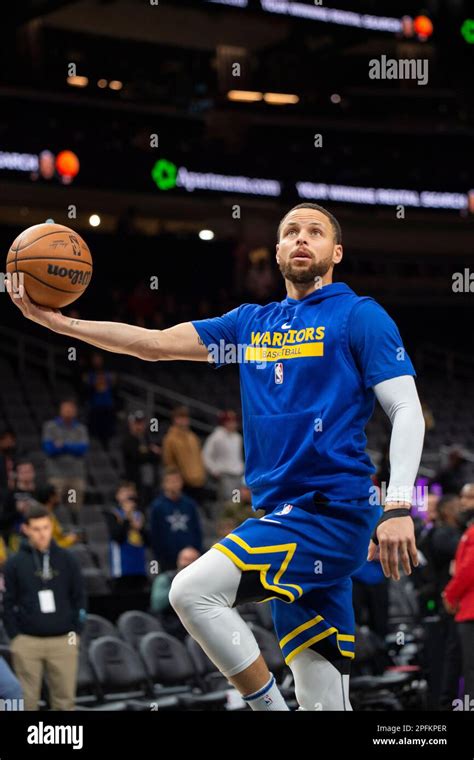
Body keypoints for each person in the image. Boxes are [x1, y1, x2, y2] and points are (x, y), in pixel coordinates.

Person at [7, 202, 425, 711]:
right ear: (275, 252)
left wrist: (398, 505)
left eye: (314, 232)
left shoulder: (359, 315)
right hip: (283, 516)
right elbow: (153, 344)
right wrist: (61, 325)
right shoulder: (251, 324)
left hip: (330, 511)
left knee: (191, 592)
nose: (301, 238)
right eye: (290, 231)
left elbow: (406, 408)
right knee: (324, 699)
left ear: (335, 252)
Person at [3, 505, 86, 710]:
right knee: (27, 702)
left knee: (65, 702)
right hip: (27, 642)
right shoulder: (14, 563)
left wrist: (77, 632)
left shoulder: (67, 559)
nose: (42, 534)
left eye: (46, 527)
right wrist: (16, 637)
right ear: (26, 529)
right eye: (37, 529)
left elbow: (80, 598)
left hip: (63, 640)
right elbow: (7, 603)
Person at [443, 486, 474, 703]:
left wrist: (449, 594)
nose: (463, 502)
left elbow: (467, 570)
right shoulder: (468, 530)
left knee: (471, 672)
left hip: (470, 611)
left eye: (469, 498)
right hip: (467, 609)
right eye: (462, 497)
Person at [41, 399, 89, 523]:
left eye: (71, 408)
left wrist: (63, 445)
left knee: (73, 505)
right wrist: (72, 447)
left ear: (75, 411)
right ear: (60, 410)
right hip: (57, 477)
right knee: (56, 506)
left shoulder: (80, 429)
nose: (68, 411)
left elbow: (82, 449)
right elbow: (49, 449)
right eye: (66, 408)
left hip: (74, 477)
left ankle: (74, 529)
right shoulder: (50, 427)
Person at [149, 470, 203, 572]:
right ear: (164, 484)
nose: (174, 484)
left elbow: (197, 530)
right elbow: (155, 534)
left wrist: (195, 551)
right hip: (167, 560)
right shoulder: (157, 507)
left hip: (190, 559)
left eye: (177, 481)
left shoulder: (190, 504)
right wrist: (160, 556)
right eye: (171, 481)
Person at [104, 481, 149, 593]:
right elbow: (117, 537)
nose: (128, 495)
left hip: (139, 567)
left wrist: (140, 529)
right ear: (117, 496)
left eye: (131, 491)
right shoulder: (114, 514)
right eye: (124, 492)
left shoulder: (140, 515)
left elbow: (149, 541)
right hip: (122, 568)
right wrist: (127, 519)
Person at [150, 546, 200, 640]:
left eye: (193, 560)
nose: (188, 563)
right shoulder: (165, 579)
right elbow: (157, 605)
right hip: (170, 628)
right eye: (185, 559)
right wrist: (180, 585)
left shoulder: (203, 581)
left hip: (195, 629)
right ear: (178, 561)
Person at [162, 406, 206, 503]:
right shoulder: (170, 439)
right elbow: (168, 461)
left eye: (185, 418)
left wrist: (201, 474)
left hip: (198, 480)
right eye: (180, 418)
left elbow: (199, 457)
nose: (184, 421)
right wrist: (177, 480)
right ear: (174, 419)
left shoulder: (193, 437)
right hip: (183, 483)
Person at [202, 410, 244, 504]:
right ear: (224, 423)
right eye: (230, 421)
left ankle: (235, 518)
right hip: (225, 475)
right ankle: (226, 518)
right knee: (226, 501)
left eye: (234, 421)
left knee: (236, 500)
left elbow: (238, 456)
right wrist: (213, 469)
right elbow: (206, 455)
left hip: (237, 474)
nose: (233, 424)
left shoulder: (237, 437)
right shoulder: (216, 437)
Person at [0, 460, 40, 554]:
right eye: (23, 472)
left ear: (34, 473)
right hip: (16, 534)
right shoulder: (10, 495)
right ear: (17, 474)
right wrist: (18, 511)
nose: (26, 474)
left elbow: (50, 515)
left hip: (38, 532)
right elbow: (2, 521)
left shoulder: (40, 493)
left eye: (28, 471)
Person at [121, 410, 160, 505]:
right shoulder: (128, 440)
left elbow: (157, 456)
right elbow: (137, 457)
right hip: (135, 482)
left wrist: (149, 453)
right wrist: (151, 452)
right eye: (137, 423)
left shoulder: (147, 438)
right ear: (131, 424)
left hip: (150, 481)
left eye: (141, 423)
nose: (139, 426)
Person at [83, 351, 117, 450]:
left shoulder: (109, 372)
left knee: (107, 431)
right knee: (94, 431)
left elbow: (114, 385)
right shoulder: (89, 373)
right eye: (95, 358)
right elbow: (86, 386)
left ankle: (106, 447)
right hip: (95, 406)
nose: (97, 360)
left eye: (99, 358)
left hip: (108, 406)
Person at [35, 484, 80, 549]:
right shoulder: (44, 517)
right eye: (57, 495)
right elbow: (51, 546)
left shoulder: (50, 514)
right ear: (51, 498)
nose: (59, 497)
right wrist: (70, 540)